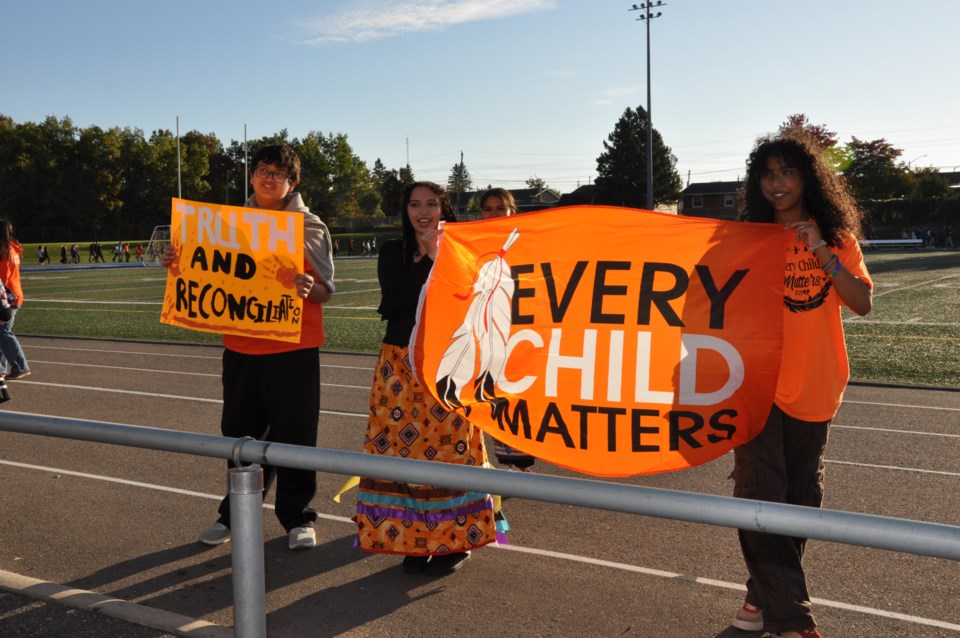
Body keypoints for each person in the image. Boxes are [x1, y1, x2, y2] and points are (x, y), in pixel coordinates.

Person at [729, 132, 873, 638]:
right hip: (756, 387)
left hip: (816, 384)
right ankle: (793, 619)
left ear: (808, 177)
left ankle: (758, 598)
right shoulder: (743, 241)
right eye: (767, 174)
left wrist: (820, 252)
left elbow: (862, 303)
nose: (777, 183)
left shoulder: (837, 241)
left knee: (799, 498)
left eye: (787, 171)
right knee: (758, 493)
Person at [162, 143, 335, 551]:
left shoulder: (308, 225)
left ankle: (297, 517)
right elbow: (202, 271)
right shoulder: (223, 224)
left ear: (292, 182)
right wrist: (177, 261)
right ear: (252, 175)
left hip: (293, 348)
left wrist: (310, 289)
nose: (268, 178)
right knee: (237, 437)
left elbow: (327, 289)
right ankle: (235, 513)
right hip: (241, 347)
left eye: (278, 173)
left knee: (295, 437)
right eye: (262, 170)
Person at [356, 181, 500, 576]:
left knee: (454, 449)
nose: (423, 211)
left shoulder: (463, 250)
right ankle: (410, 541)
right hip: (399, 364)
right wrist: (427, 258)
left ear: (444, 208)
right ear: (405, 211)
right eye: (415, 204)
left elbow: (472, 300)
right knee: (399, 451)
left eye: (432, 204)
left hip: (449, 364)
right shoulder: (392, 252)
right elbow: (398, 299)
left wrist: (440, 255)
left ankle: (458, 541)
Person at [477, 188, 537, 472]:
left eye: (500, 208)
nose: (493, 214)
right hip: (484, 331)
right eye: (487, 209)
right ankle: (485, 459)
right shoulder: (471, 243)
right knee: (485, 398)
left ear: (513, 211)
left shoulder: (526, 243)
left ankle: (518, 463)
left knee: (514, 397)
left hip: (518, 330)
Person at [0, 219, 31, 381]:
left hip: (6, 296)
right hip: (15, 294)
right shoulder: (12, 248)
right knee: (1, 333)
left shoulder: (4, 251)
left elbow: (2, 279)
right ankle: (1, 369)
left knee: (4, 332)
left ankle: (20, 367)